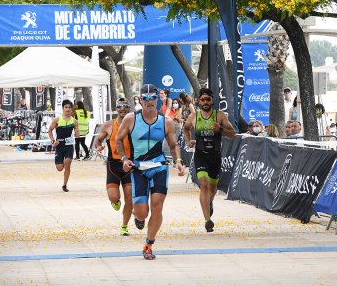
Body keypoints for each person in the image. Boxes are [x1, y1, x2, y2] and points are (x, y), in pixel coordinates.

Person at [115, 84, 185, 260]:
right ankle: (138, 217)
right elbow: (118, 140)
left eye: (152, 97)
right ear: (140, 100)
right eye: (144, 98)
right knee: (142, 212)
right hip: (138, 168)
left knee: (157, 205)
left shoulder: (166, 121)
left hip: (159, 166)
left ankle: (149, 244)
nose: (149, 101)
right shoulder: (131, 119)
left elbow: (173, 144)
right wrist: (124, 159)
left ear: (157, 99)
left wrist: (178, 161)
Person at [183, 88, 236, 233]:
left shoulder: (219, 116)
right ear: (198, 101)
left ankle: (209, 202)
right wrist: (188, 141)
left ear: (212, 101)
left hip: (215, 156)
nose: (205, 102)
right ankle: (207, 220)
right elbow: (186, 128)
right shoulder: (194, 116)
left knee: (212, 188)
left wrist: (220, 130)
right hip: (200, 155)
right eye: (202, 99)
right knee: (204, 185)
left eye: (208, 99)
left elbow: (233, 134)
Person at [94, 98, 133, 236]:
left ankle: (124, 225)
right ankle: (114, 201)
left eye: (125, 107)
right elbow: (97, 139)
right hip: (113, 165)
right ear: (116, 109)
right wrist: (98, 146)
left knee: (130, 197)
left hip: (129, 165)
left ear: (129, 108)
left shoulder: (134, 124)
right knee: (113, 197)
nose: (122, 109)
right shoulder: (109, 125)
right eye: (119, 107)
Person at [48, 99, 79, 192]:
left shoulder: (75, 121)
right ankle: (63, 165)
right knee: (60, 168)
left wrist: (77, 133)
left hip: (69, 145)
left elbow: (77, 133)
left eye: (69, 107)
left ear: (71, 109)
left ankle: (64, 185)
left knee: (68, 162)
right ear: (63, 108)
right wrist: (53, 141)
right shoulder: (57, 120)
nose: (68, 109)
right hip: (59, 145)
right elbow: (49, 131)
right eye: (66, 107)